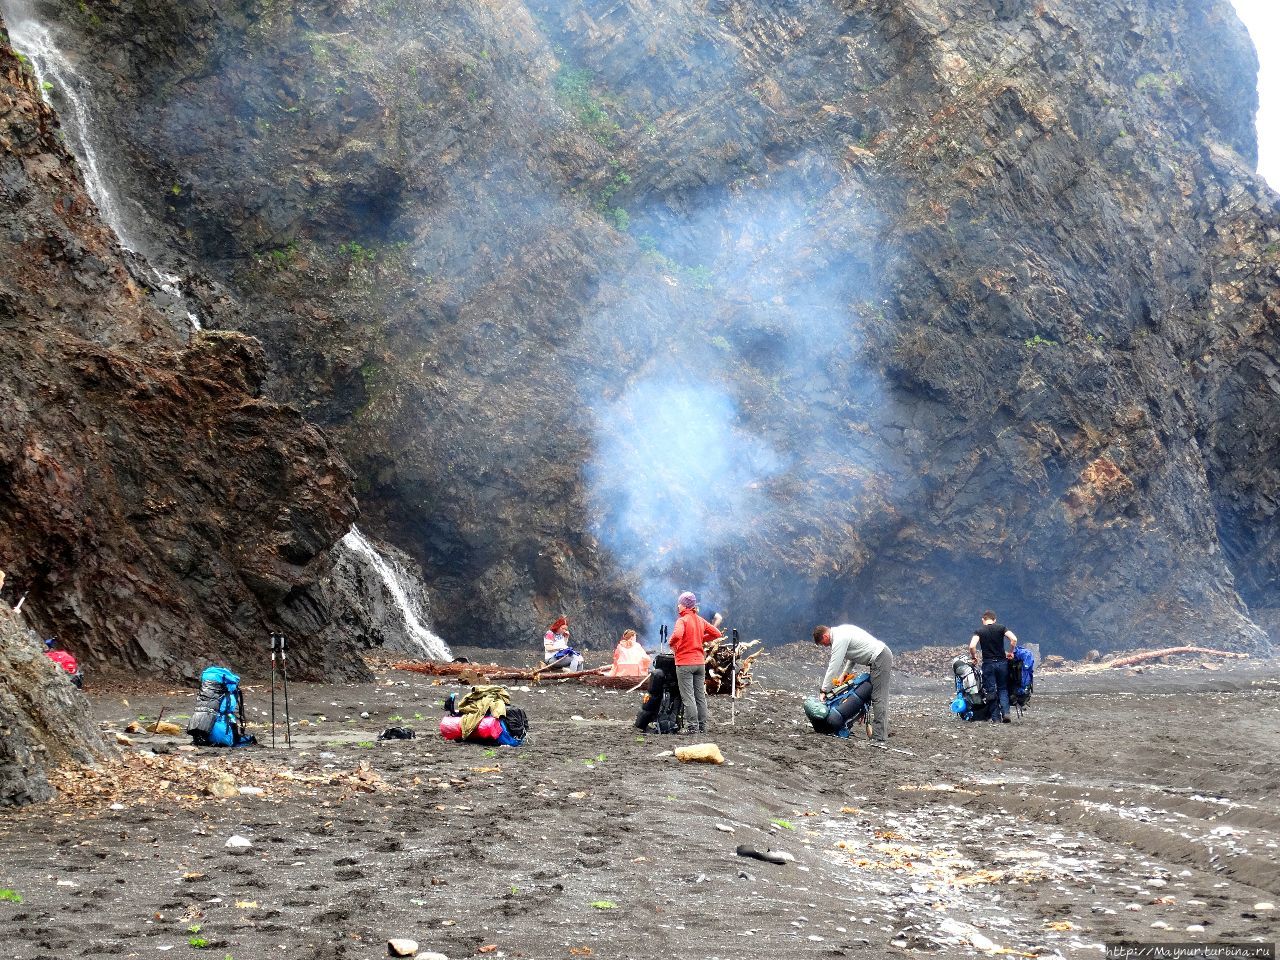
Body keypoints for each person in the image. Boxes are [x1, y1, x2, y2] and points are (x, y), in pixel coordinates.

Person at [813, 624, 893, 742]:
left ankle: (879, 738)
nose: (824, 646)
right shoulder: (842, 631)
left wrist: (824, 690)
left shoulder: (839, 639)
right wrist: (844, 674)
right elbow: (854, 654)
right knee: (875, 696)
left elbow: (833, 666)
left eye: (822, 642)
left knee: (879, 698)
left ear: (825, 636)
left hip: (880, 657)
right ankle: (877, 735)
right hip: (879, 657)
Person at [669, 591, 721, 734]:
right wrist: (700, 639)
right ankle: (702, 726)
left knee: (688, 696)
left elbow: (678, 635)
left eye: (679, 603)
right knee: (700, 696)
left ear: (684, 605)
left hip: (685, 663)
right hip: (700, 663)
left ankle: (692, 727)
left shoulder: (682, 620)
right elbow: (717, 633)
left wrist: (671, 642)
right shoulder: (700, 620)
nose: (677, 606)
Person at [969, 610, 1018, 723]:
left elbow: (972, 646)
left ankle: (996, 718)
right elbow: (1014, 639)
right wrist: (1010, 652)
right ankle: (1006, 713)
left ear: (983, 620)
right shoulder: (1001, 628)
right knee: (1003, 689)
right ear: (995, 620)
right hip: (1002, 663)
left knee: (991, 690)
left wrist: (974, 657)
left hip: (988, 664)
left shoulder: (979, 631)